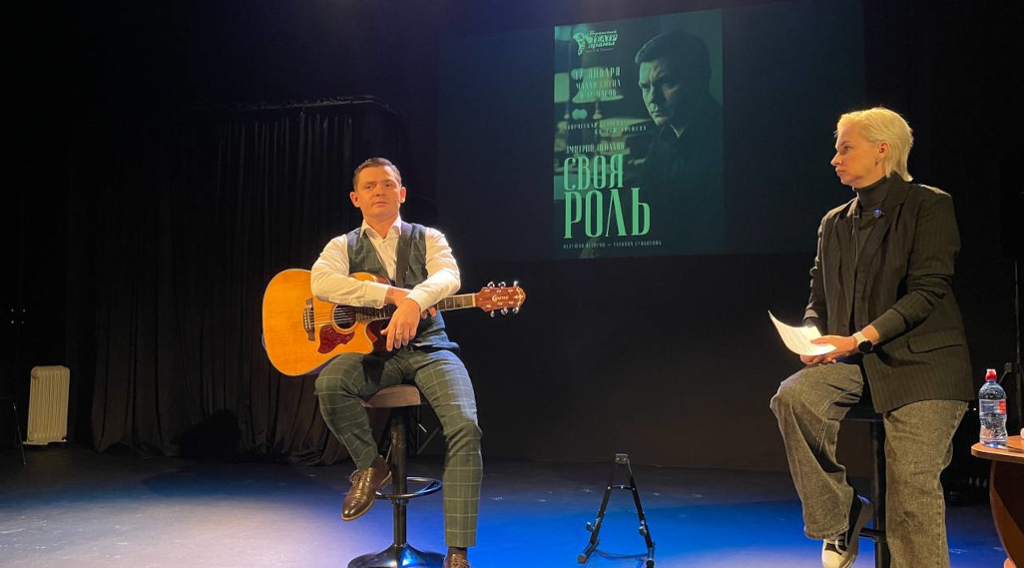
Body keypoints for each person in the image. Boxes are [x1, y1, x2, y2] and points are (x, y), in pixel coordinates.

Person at [770, 108, 973, 568]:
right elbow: (819, 297)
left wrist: (859, 338)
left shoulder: (928, 205)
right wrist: (814, 337)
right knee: (794, 398)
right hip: (859, 365)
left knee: (910, 490)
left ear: (882, 150)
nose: (835, 159)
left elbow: (927, 291)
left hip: (925, 369)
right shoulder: (834, 222)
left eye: (846, 148)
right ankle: (840, 517)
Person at [311, 157, 482, 568]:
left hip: (430, 349)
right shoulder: (342, 246)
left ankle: (457, 551)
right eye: (369, 186)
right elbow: (321, 281)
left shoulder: (429, 238)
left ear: (401, 193)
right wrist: (390, 296)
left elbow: (449, 277)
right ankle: (371, 466)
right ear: (356, 198)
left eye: (387, 184)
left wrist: (415, 302)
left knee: (465, 426)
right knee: (329, 383)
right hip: (376, 356)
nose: (379, 191)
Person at [634, 30, 724, 253]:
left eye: (666, 82)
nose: (652, 99)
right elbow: (645, 202)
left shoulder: (724, 143)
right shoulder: (662, 137)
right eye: (645, 87)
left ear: (701, 78)